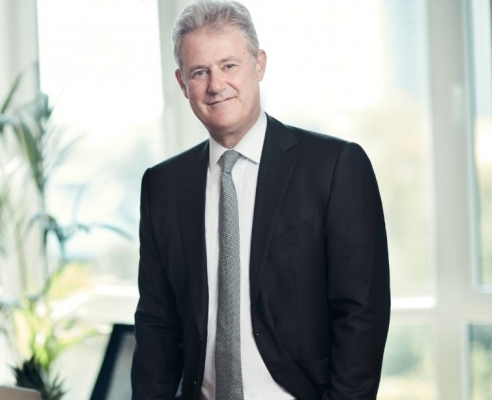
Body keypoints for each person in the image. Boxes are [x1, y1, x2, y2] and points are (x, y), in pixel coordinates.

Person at [131, 1, 391, 399]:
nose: (216, 85)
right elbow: (156, 325)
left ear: (259, 64)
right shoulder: (162, 186)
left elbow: (361, 314)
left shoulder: (335, 167)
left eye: (229, 65)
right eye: (200, 72)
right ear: (183, 84)